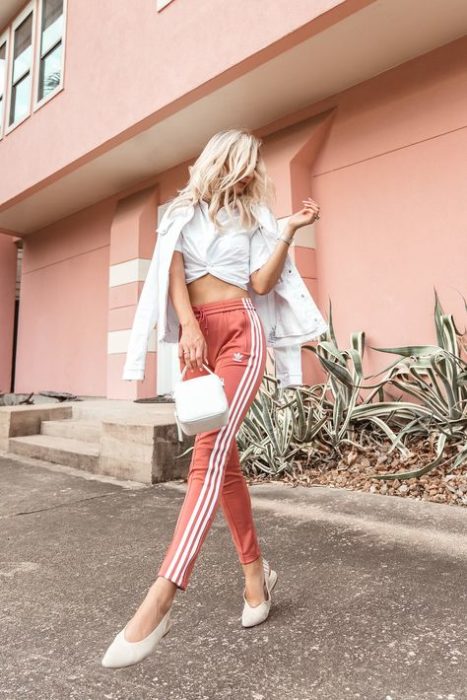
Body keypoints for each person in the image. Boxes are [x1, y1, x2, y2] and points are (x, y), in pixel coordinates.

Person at [101, 128, 321, 668]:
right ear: (223, 161)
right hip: (199, 336)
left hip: (244, 335)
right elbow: (173, 270)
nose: (249, 174)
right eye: (242, 164)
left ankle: (163, 595)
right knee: (224, 466)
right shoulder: (181, 210)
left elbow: (262, 285)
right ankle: (256, 578)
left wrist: (287, 231)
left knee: (207, 456)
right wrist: (188, 327)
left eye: (254, 166)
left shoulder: (253, 217)